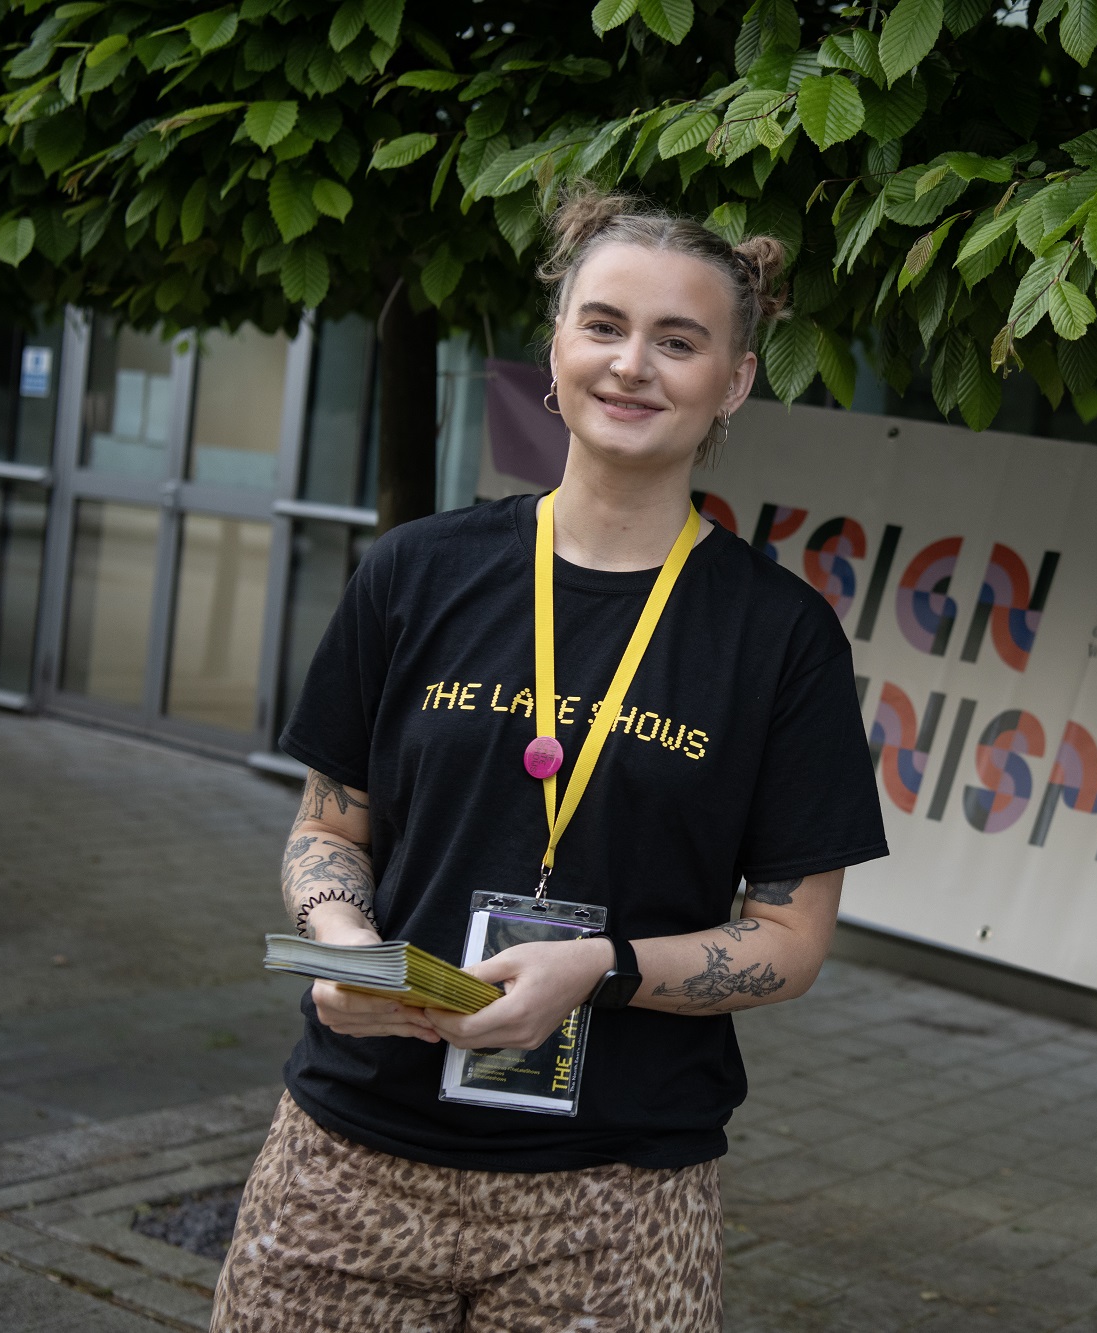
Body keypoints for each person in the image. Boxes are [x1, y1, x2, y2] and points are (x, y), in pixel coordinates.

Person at [212, 189, 889, 1332]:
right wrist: (349, 952)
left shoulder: (779, 638)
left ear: (733, 380)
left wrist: (597, 967)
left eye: (678, 341)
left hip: (618, 1194)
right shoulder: (417, 574)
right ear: (555, 350)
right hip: (353, 1154)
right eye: (605, 325)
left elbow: (788, 939)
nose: (633, 365)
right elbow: (331, 828)